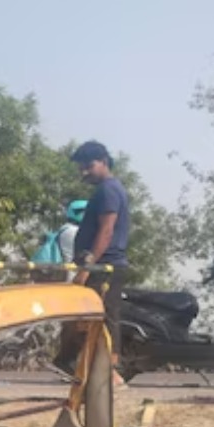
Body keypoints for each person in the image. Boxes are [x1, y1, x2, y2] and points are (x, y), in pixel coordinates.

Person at [66, 141, 130, 385]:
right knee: (94, 318)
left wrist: (87, 267)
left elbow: (106, 231)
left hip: (104, 266)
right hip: (103, 265)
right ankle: (93, 368)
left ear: (103, 161)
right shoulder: (107, 189)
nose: (84, 172)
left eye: (88, 166)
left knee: (101, 319)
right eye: (81, 168)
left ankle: (110, 374)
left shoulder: (108, 190)